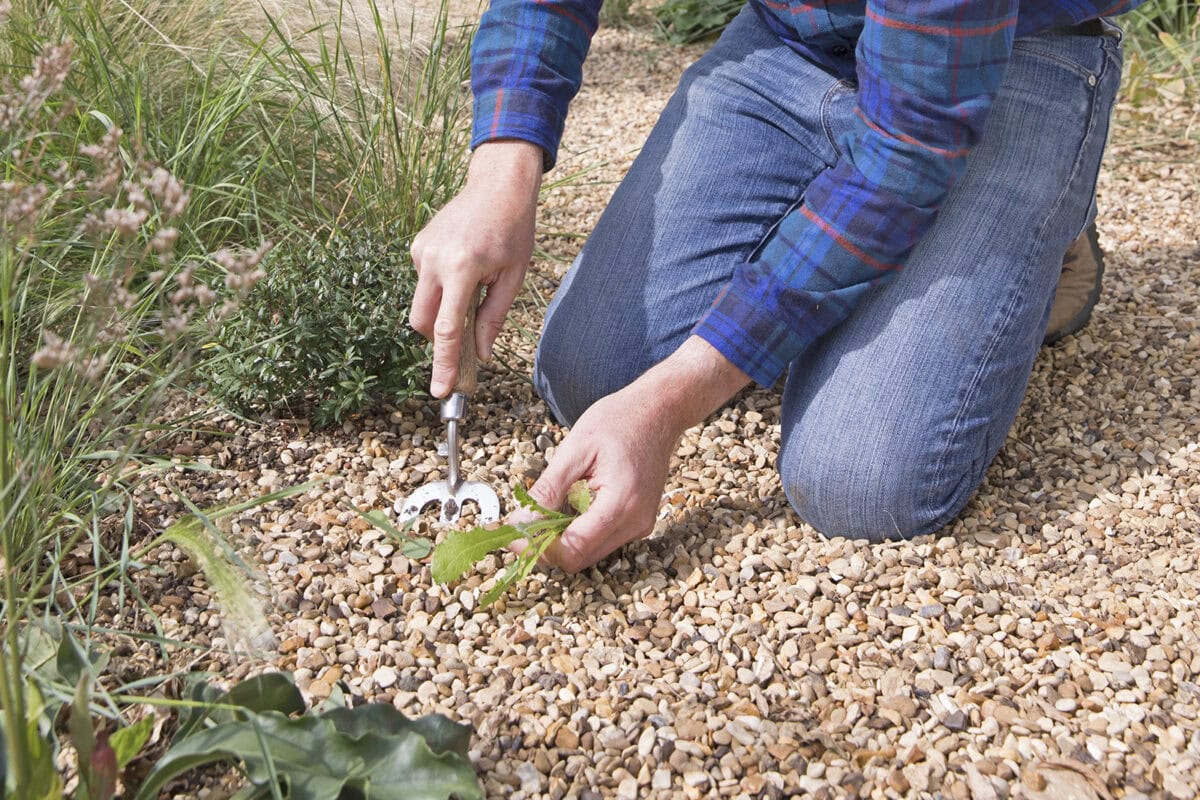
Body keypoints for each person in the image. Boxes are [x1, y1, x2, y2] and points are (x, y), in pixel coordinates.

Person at [409, 0, 1139, 573]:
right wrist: (501, 172)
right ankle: (840, 221)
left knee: (859, 480)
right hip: (792, 38)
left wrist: (668, 403)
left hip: (1009, 53)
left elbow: (907, 153)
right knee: (588, 374)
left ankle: (1050, 226)